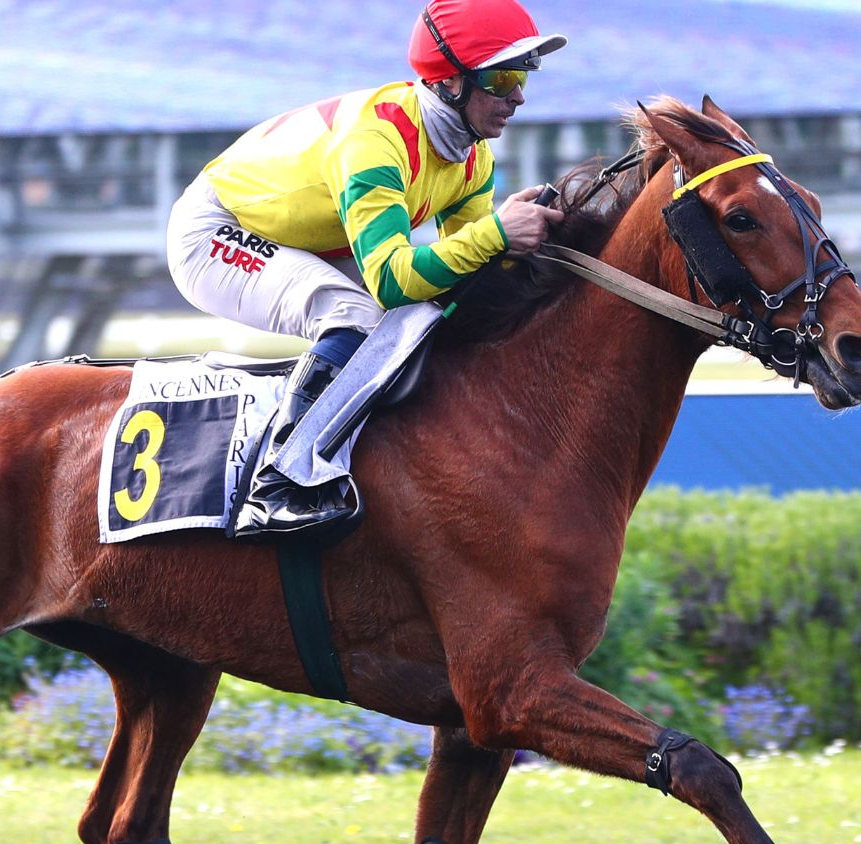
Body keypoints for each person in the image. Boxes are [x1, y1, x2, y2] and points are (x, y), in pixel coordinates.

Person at [166, 0, 570, 538]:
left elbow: (464, 281)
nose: (518, 96)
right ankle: (280, 482)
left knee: (426, 314)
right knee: (356, 312)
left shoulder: (473, 158)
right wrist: (496, 232)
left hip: (312, 241)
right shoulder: (376, 140)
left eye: (524, 75)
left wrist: (527, 246)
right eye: (502, 77)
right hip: (215, 230)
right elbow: (394, 281)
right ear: (450, 81)